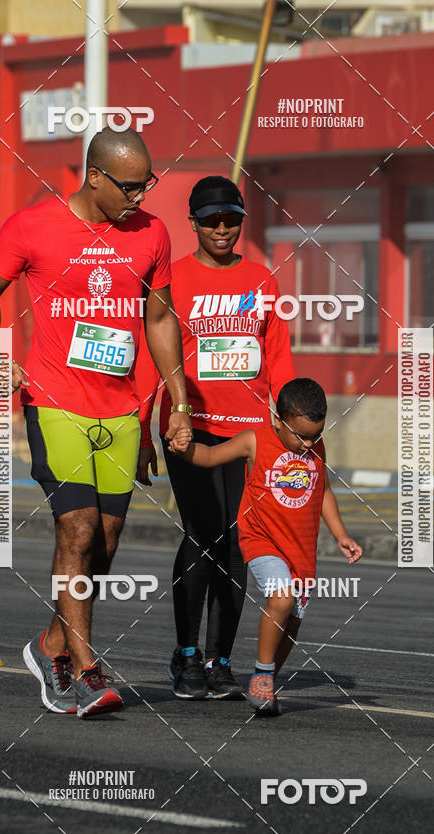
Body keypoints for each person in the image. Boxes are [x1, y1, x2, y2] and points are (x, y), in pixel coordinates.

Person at [0, 128, 191, 719]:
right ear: (94, 176)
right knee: (79, 529)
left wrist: (177, 403)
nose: (140, 197)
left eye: (147, 185)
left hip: (119, 409)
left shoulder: (152, 233)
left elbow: (160, 319)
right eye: (131, 186)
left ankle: (51, 645)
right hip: (54, 402)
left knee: (106, 544)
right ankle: (87, 670)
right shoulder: (32, 226)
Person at [136, 175, 295, 700]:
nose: (222, 229)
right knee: (203, 534)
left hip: (249, 436)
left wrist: (291, 429)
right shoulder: (172, 279)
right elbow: (151, 361)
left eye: (231, 219)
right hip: (190, 429)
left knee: (235, 542)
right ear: (193, 223)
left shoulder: (262, 280)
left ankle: (219, 660)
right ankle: (186, 655)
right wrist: (143, 431)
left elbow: (279, 360)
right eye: (211, 221)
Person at [178, 377, 362, 715]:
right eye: (301, 435)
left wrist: (341, 535)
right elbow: (211, 455)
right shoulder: (255, 440)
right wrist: (184, 448)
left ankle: (265, 682)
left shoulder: (316, 447)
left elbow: (323, 490)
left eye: (315, 435)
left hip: (301, 549)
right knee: (282, 598)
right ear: (279, 421)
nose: (308, 443)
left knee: (292, 621)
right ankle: (262, 674)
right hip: (261, 539)